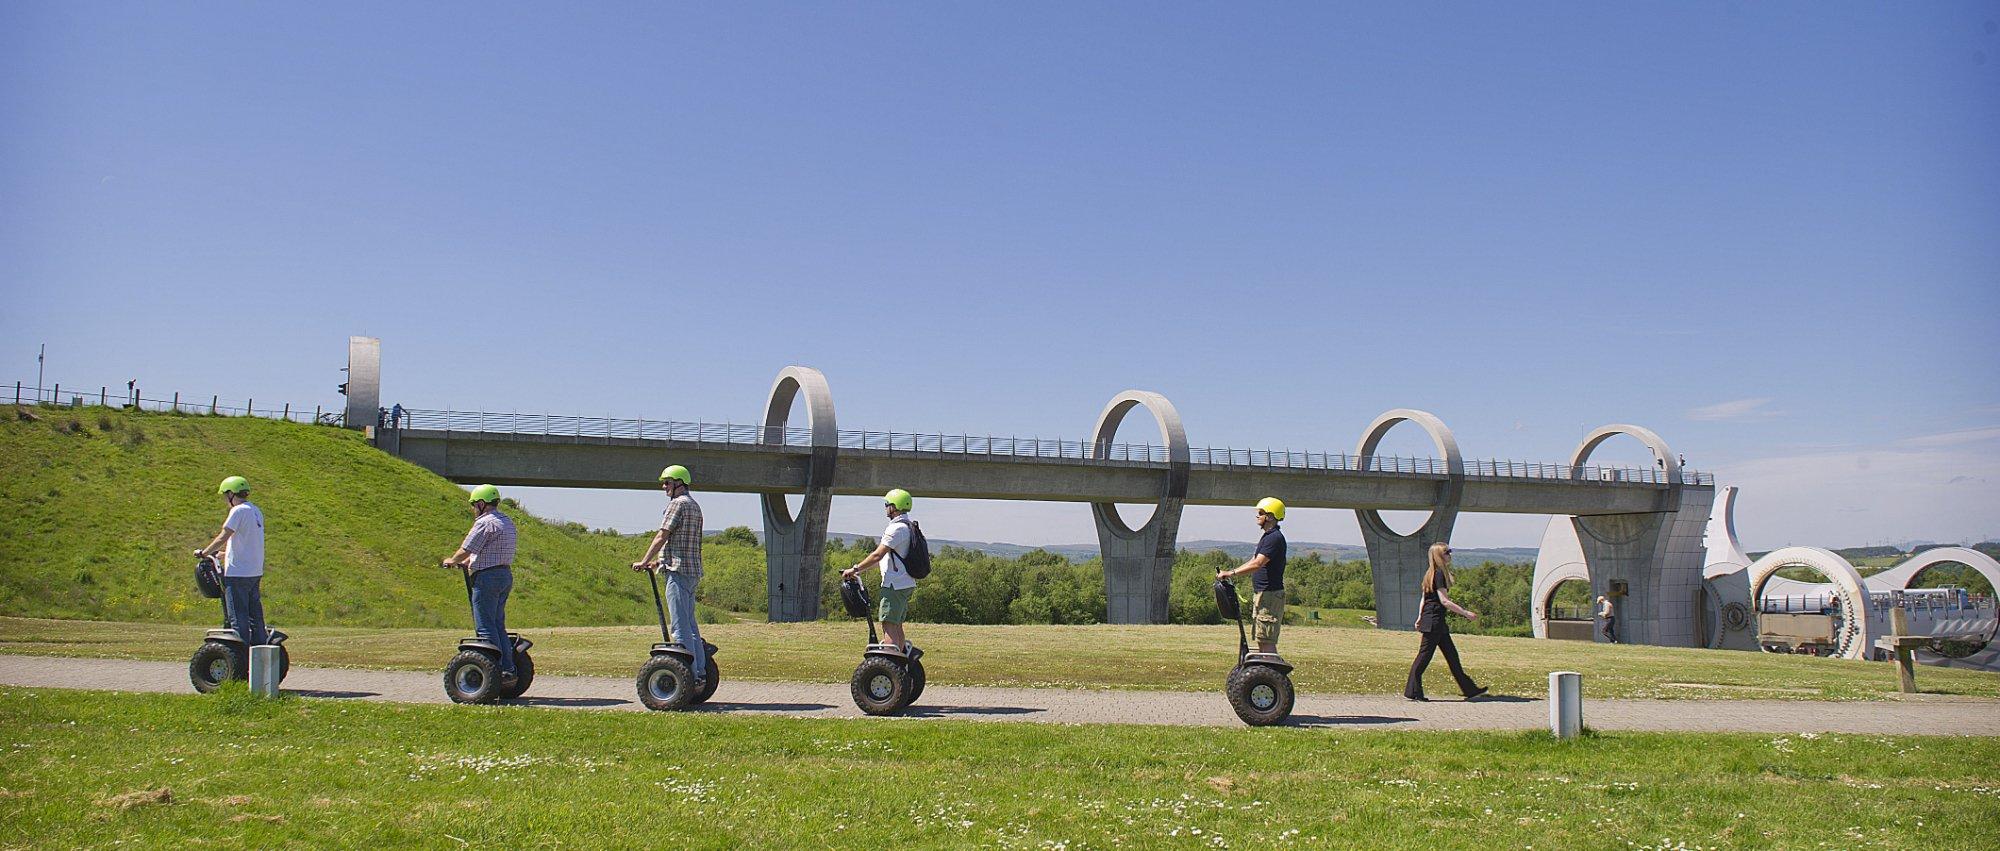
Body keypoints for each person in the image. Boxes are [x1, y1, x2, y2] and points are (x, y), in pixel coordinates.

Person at [632, 465, 706, 683]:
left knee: (679, 627)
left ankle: (687, 677)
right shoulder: (694, 506)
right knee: (691, 625)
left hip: (677, 572)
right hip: (691, 571)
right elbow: (683, 543)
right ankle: (699, 672)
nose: (664, 487)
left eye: (667, 482)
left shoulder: (677, 504)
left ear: (679, 483)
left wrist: (644, 560)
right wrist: (657, 563)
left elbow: (662, 536)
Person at [441, 484, 519, 688]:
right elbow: (490, 550)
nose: (474, 508)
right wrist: (469, 562)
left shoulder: (485, 523)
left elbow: (466, 549)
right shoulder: (506, 521)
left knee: (484, 627)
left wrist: (453, 560)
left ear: (482, 504)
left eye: (475, 505)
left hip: (487, 579)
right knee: (497, 623)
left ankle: (495, 673)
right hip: (504, 575)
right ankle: (508, 669)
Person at [1403, 542, 1489, 702]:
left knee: (1452, 656)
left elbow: (1424, 599)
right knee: (1424, 657)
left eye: (1449, 551)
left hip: (1435, 621)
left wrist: (1420, 617)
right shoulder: (1438, 575)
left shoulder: (1430, 574)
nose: (1450, 554)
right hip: (1434, 622)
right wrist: (1465, 613)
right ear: (1439, 556)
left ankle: (1469, 689)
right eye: (1447, 552)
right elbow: (1444, 601)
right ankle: (1412, 690)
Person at [843, 488, 920, 655]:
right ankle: (899, 665)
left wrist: (855, 568)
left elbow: (877, 555)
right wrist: (860, 571)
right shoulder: (908, 526)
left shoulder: (896, 529)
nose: (885, 508)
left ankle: (889, 665)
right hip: (904, 583)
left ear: (894, 506)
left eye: (887, 504)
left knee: (888, 625)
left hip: (894, 585)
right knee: (896, 624)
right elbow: (884, 560)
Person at [194, 476, 267, 646]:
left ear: (231, 494)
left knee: (238, 618)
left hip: (238, 574)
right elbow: (249, 542)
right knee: (255, 618)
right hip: (254, 572)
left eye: (225, 495)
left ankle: (239, 657)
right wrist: (225, 554)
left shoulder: (238, 511)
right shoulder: (256, 511)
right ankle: (260, 655)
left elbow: (223, 536)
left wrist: (204, 553)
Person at [1216, 497, 1288, 653]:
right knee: (1262, 638)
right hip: (1264, 594)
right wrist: (1231, 573)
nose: (1257, 516)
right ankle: (1265, 674)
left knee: (1266, 639)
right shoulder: (1268, 537)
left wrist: (1231, 573)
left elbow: (1258, 564)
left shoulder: (1274, 538)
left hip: (1269, 595)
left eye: (1260, 513)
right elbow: (1253, 560)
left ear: (1269, 515)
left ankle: (1270, 675)